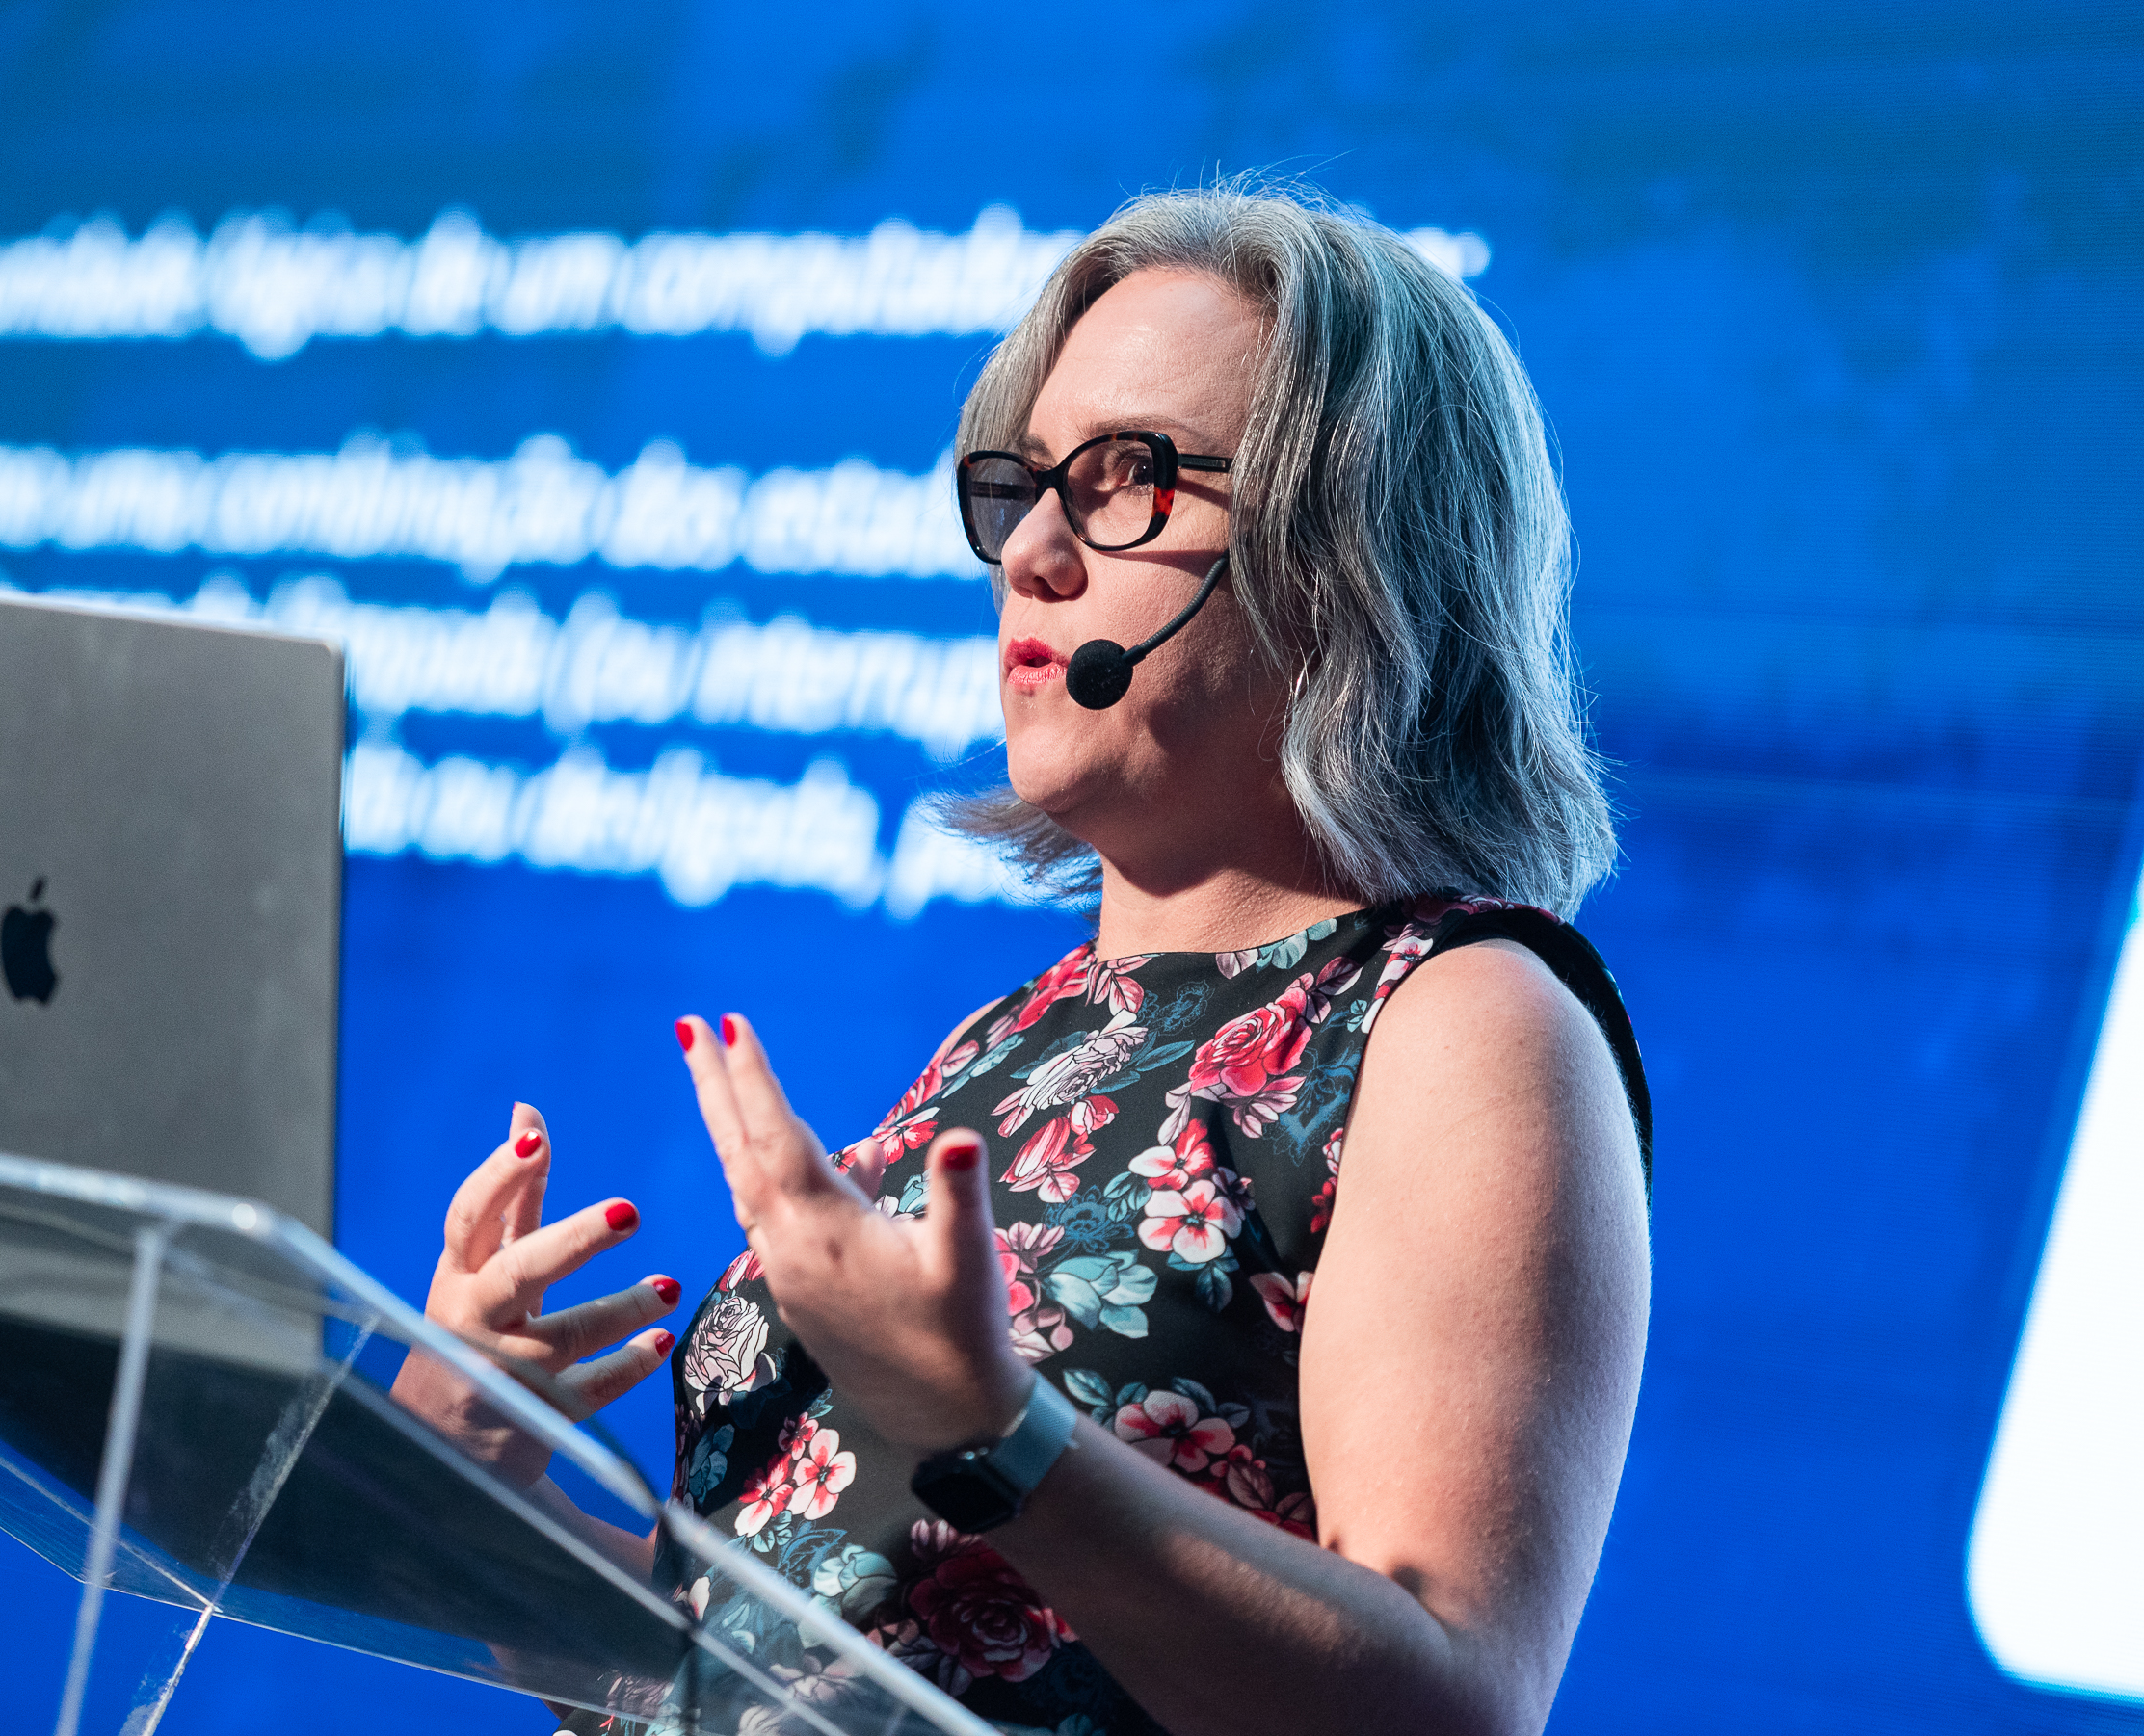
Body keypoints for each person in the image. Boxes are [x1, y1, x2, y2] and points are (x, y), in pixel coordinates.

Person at [399, 180, 1653, 1736]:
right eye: (1025, 485)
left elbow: (1451, 1704)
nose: (1036, 550)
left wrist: (999, 1434)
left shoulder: (1460, 1020)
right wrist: (471, 1493)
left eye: (1128, 477)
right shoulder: (1025, 1036)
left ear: (1352, 548)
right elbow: (764, 1658)